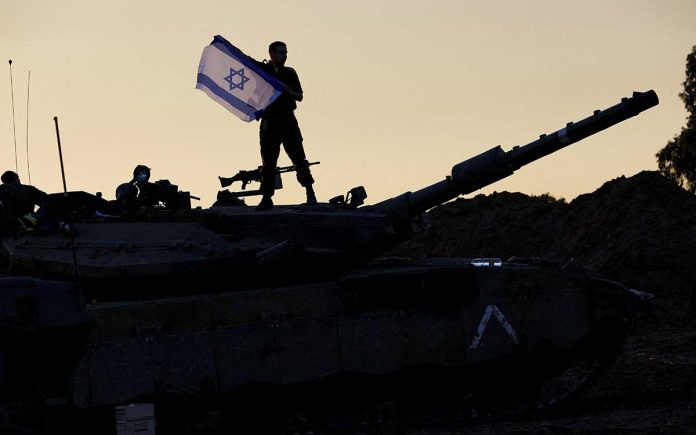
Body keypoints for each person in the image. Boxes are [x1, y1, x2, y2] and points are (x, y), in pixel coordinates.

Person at [250, 41, 317, 211]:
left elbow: (300, 96)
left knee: (299, 158)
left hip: (287, 120)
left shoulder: (289, 73)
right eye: (281, 53)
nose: (284, 56)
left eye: (285, 53)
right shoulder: (263, 71)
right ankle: (266, 197)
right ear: (272, 54)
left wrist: (288, 91)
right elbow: (246, 62)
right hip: (269, 122)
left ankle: (310, 192)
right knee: (268, 163)